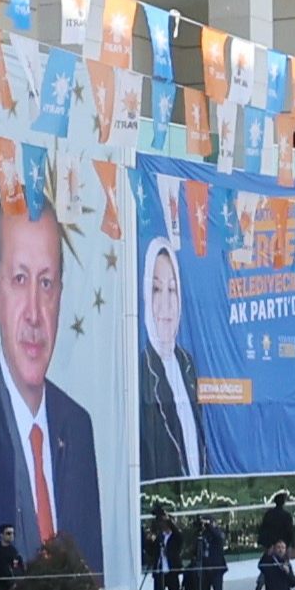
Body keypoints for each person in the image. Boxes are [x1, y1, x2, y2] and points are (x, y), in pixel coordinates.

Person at [0, 194, 105, 578]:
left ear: (60, 295)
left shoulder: (78, 426)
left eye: (46, 283)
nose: (34, 312)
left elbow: (92, 571)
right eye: (20, 279)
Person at [132, 196, 203, 486]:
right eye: (156, 290)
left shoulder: (186, 364)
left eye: (172, 290)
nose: (165, 305)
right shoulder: (141, 370)